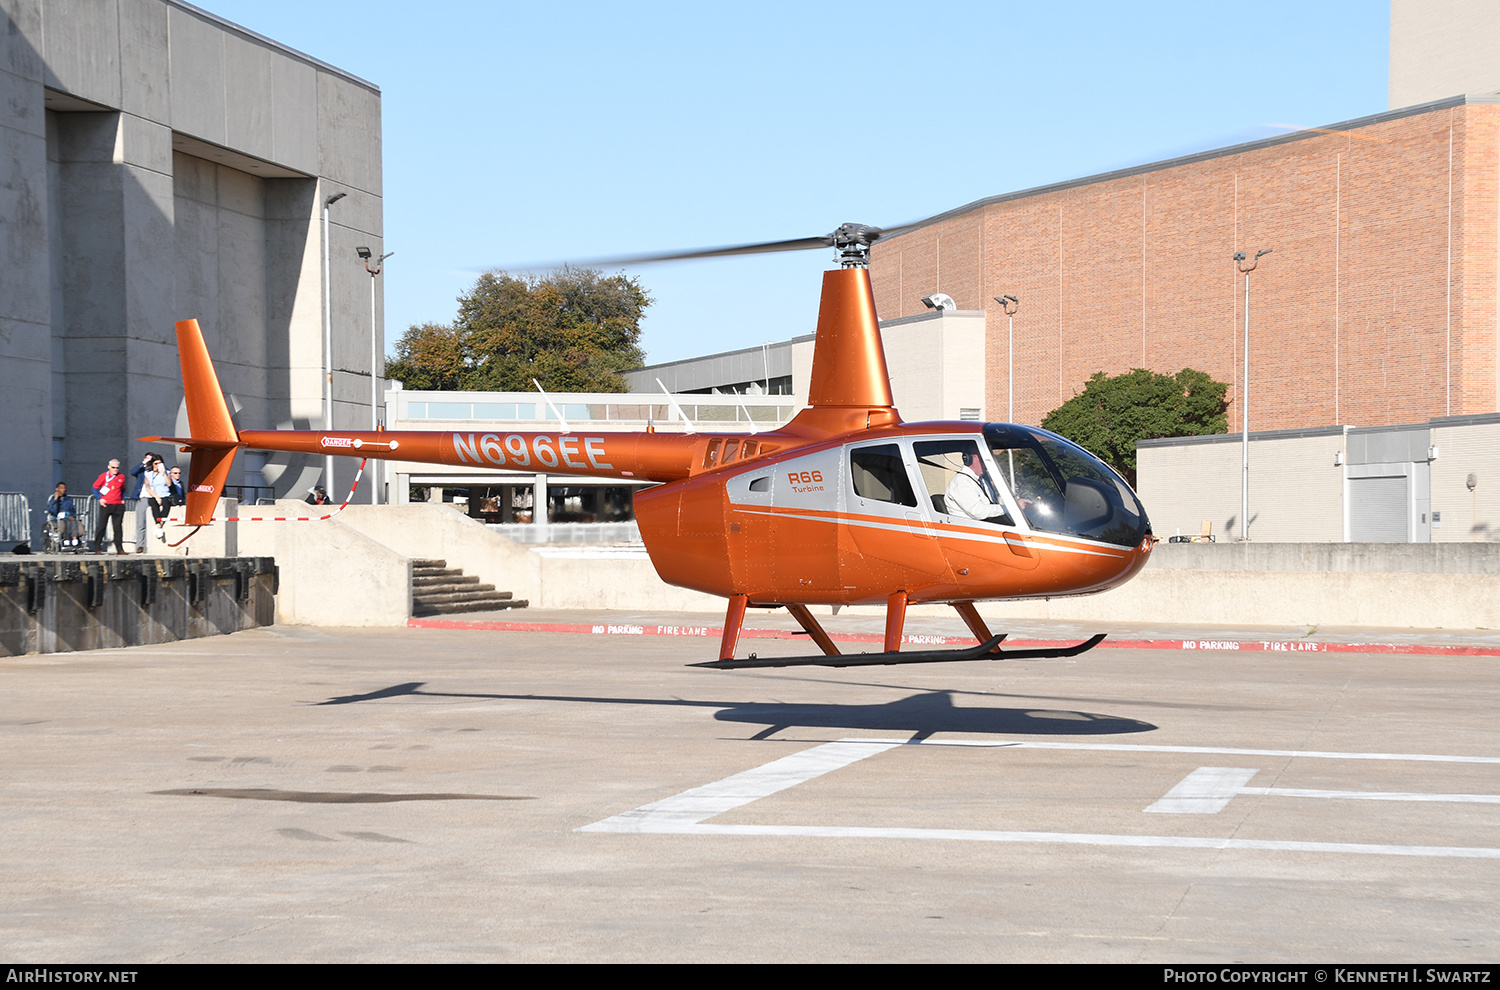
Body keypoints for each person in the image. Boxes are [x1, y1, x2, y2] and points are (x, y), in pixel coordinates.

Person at [944, 448, 1011, 524]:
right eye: (983, 457)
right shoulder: (961, 482)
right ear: (971, 458)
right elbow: (978, 512)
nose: (986, 462)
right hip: (970, 531)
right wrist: (1008, 508)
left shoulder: (982, 480)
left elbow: (992, 504)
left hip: (987, 527)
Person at [91, 459, 127, 554]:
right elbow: (94, 488)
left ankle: (119, 548)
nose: (115, 469)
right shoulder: (103, 476)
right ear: (109, 467)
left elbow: (123, 489)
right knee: (102, 526)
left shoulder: (121, 477)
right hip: (106, 504)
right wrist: (100, 498)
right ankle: (97, 547)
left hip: (118, 505)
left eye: (117, 468)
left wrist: (123, 499)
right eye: (113, 467)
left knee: (118, 527)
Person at [131, 452, 161, 553]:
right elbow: (132, 471)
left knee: (155, 522)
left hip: (154, 498)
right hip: (143, 498)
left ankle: (151, 545)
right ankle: (140, 545)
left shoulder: (158, 471)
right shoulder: (142, 471)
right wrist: (143, 463)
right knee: (141, 523)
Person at [141, 458, 171, 548]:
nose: (157, 465)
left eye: (159, 463)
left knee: (166, 506)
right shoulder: (148, 474)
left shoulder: (166, 473)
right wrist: (156, 497)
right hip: (154, 495)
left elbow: (169, 484)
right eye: (156, 463)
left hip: (165, 494)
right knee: (154, 506)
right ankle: (158, 525)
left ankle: (159, 526)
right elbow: (148, 488)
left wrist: (164, 473)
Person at [46, 482, 80, 549]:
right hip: (57, 517)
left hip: (68, 516)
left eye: (64, 488)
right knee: (66, 522)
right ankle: (66, 539)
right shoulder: (53, 499)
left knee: (73, 521)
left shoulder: (68, 499)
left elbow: (72, 509)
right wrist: (55, 500)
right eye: (61, 488)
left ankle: (74, 540)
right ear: (57, 489)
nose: (63, 490)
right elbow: (52, 510)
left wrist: (73, 515)